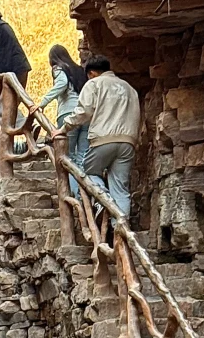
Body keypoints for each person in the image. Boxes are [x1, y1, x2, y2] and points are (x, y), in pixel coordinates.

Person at [65, 55, 140, 218]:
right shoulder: (129, 88)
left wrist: (65, 127)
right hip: (128, 142)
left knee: (86, 172)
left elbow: (83, 112)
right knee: (121, 189)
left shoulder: (94, 84)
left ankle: (102, 201)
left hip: (103, 139)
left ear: (91, 73)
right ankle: (121, 233)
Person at [38, 44, 88, 194]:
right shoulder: (79, 70)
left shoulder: (59, 68)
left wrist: (42, 103)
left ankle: (75, 195)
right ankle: (87, 194)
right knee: (82, 157)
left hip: (68, 114)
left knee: (69, 158)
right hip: (84, 114)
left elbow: (62, 84)